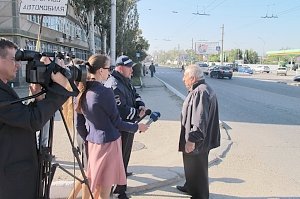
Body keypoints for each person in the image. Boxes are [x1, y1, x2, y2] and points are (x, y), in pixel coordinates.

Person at [0, 37, 73, 199]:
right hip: (11, 183)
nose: (18, 64)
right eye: (14, 59)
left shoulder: (4, 89)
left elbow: (21, 118)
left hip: (17, 175)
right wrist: (59, 90)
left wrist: (39, 98)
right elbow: (32, 121)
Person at [76, 54, 148, 199]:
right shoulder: (105, 92)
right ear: (101, 71)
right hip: (109, 145)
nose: (110, 72)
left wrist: (89, 139)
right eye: (108, 68)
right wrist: (137, 127)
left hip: (93, 144)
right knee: (104, 190)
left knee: (94, 184)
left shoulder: (82, 92)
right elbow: (117, 122)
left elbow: (79, 124)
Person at [104, 55, 147, 199]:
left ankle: (121, 180)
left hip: (128, 126)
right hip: (120, 129)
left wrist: (140, 104)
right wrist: (138, 114)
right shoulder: (114, 84)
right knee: (119, 159)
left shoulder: (125, 81)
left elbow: (135, 94)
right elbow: (120, 111)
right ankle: (119, 191)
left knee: (124, 157)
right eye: (130, 68)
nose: (132, 71)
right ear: (121, 68)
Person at [176, 64, 220, 199]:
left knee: (198, 168)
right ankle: (190, 186)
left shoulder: (200, 92)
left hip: (198, 140)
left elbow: (200, 120)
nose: (183, 79)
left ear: (193, 78)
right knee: (190, 165)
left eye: (185, 76)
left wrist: (192, 139)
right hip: (195, 138)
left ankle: (200, 195)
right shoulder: (199, 89)